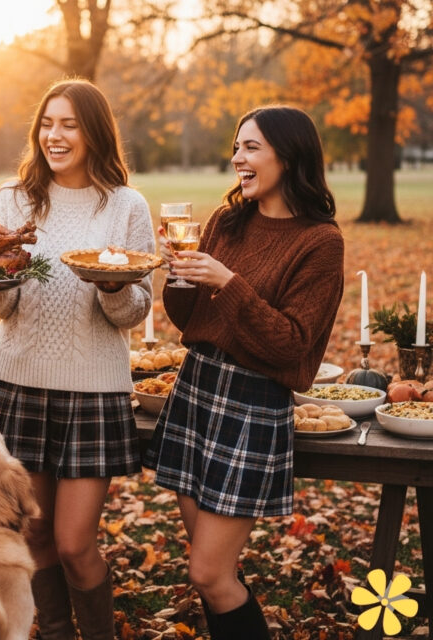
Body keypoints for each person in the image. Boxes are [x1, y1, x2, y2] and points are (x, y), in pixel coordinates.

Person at [144, 105, 344, 640]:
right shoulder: (225, 222)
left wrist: (226, 281)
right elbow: (191, 322)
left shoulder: (320, 242)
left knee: (208, 573)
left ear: (289, 155)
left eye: (251, 147)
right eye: (236, 147)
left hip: (252, 406)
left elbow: (291, 344)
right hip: (197, 388)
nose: (238, 158)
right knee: (216, 573)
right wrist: (182, 278)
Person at [0, 78, 155, 640]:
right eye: (47, 124)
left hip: (93, 389)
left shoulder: (126, 205)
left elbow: (137, 309)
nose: (55, 135)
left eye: (69, 124)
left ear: (94, 132)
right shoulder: (12, 199)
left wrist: (111, 287)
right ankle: (54, 632)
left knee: (75, 543)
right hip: (17, 382)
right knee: (33, 534)